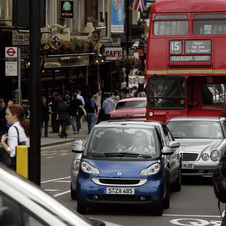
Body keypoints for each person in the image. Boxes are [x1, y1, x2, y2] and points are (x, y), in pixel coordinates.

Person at [0, 104, 30, 170]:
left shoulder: (13, 129)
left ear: (15, 116)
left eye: (8, 114)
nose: (5, 117)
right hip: (28, 162)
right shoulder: (25, 126)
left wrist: (3, 142)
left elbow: (12, 152)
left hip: (18, 166)